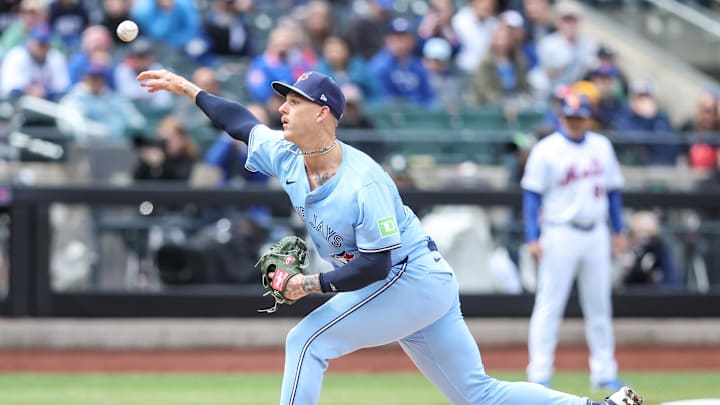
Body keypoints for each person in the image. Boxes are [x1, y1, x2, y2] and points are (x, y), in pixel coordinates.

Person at [136, 68, 643, 405]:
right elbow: (240, 123)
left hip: (409, 278)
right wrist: (188, 90)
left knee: (306, 339)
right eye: (283, 99)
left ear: (324, 114)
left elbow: (375, 267)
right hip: (413, 284)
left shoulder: (365, 181)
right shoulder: (287, 154)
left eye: (295, 100)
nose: (283, 107)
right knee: (479, 395)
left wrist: (309, 284)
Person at [521, 93, 628, 391]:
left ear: (588, 117)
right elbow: (531, 196)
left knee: (599, 307)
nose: (575, 122)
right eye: (570, 117)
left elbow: (613, 192)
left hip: (595, 232)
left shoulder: (601, 146)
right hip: (559, 231)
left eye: (579, 117)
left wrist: (618, 231)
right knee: (549, 305)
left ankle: (604, 373)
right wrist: (533, 236)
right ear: (561, 117)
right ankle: (539, 372)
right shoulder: (546, 150)